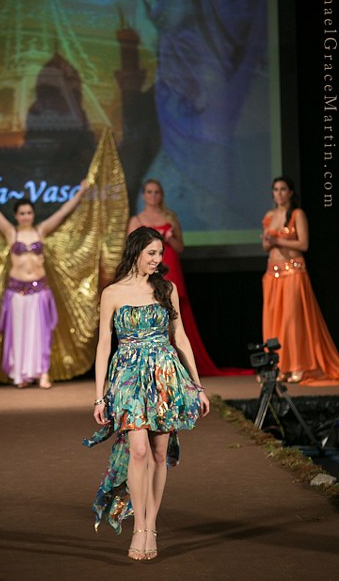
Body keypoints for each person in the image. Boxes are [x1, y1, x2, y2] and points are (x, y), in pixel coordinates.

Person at [84, 226, 209, 561]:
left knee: (157, 454)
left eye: (160, 254)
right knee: (138, 450)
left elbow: (180, 338)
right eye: (151, 253)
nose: (157, 259)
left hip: (164, 377)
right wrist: (99, 396)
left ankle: (151, 526)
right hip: (127, 378)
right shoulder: (112, 293)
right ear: (135, 251)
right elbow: (104, 345)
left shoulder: (166, 288)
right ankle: (139, 526)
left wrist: (198, 387)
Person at [128, 179, 253, 377]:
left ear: (161, 195)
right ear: (144, 195)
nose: (153, 196)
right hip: (149, 270)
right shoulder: (137, 220)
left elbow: (180, 247)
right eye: (149, 192)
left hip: (171, 267)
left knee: (175, 311)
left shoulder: (170, 216)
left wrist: (169, 238)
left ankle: (180, 362)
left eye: (157, 192)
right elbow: (132, 251)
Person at [0, 178, 87, 388]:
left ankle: (43, 373)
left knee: (40, 333)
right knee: (19, 333)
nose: (26, 216)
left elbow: (63, 212)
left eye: (29, 213)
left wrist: (81, 192)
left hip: (39, 290)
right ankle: (21, 375)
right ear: (16, 216)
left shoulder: (40, 231)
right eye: (22, 213)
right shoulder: (11, 232)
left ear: (33, 214)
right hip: (16, 291)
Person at [262, 176, 339, 385]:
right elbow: (266, 247)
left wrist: (277, 240)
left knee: (292, 321)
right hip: (272, 275)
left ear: (290, 192)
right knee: (274, 322)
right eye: (276, 189)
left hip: (293, 273)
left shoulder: (297, 214)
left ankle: (298, 366)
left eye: (283, 189)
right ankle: (279, 367)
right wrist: (268, 242)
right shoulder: (270, 216)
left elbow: (303, 244)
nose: (279, 193)